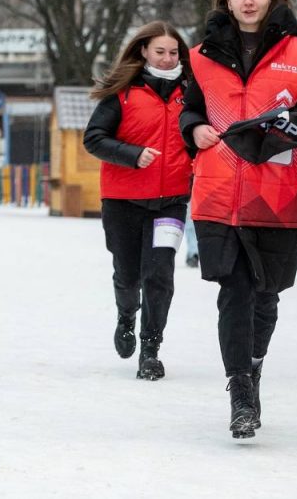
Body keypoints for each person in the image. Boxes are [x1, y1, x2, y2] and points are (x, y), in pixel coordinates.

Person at [179, 0, 297, 440]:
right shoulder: (199, 56)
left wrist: (285, 128)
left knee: (266, 295)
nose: (248, 1)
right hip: (219, 192)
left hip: (277, 193)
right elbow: (187, 110)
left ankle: (253, 362)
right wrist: (195, 128)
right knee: (237, 291)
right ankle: (241, 390)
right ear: (226, 1)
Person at [83, 21, 194, 381]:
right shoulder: (122, 94)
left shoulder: (192, 94)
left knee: (160, 274)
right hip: (123, 200)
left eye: (173, 52)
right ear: (143, 51)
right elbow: (94, 139)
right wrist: (131, 154)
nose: (166, 58)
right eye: (159, 51)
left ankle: (151, 350)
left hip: (171, 202)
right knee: (129, 274)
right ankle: (126, 315)